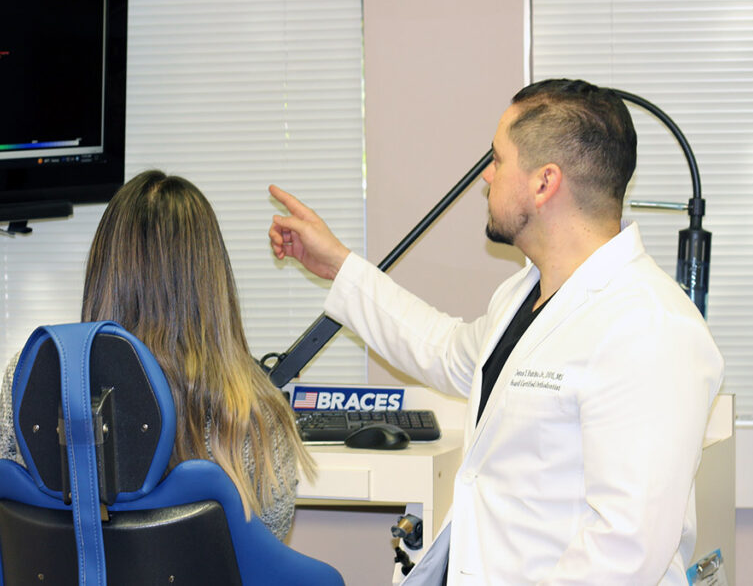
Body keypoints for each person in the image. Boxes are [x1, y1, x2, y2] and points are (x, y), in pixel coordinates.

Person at [268, 79, 724, 584]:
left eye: (498, 159)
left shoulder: (651, 328)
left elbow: (623, 551)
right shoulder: (523, 296)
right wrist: (338, 265)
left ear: (544, 183)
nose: (487, 176)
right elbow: (443, 350)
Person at [0, 169, 315, 540]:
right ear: (212, 278)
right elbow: (268, 548)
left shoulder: (33, 378)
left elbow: (25, 526)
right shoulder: (255, 408)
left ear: (103, 268)